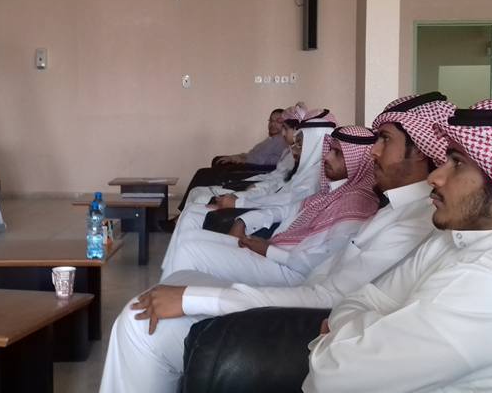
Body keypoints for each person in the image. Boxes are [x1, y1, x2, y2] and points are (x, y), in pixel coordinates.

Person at [98, 98, 492, 393]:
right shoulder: (458, 241)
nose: (437, 174)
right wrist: (357, 342)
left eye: (456, 163)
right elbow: (357, 301)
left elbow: (334, 371)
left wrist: (347, 346)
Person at [85, 93, 454, 393]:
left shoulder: (417, 221)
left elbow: (327, 296)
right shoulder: (395, 208)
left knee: (140, 322)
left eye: (384, 140)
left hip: (309, 323)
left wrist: (196, 298)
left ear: (421, 150)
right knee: (165, 293)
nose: (373, 151)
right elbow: (340, 285)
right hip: (314, 311)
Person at [161, 125, 380, 286]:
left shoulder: (357, 204)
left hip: (291, 272)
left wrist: (269, 251)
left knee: (189, 250)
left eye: (337, 153)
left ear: (357, 160)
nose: (327, 157)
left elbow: (323, 261)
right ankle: (167, 300)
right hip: (277, 252)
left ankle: (164, 304)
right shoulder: (333, 190)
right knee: (188, 239)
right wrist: (243, 220)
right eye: (329, 150)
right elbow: (286, 209)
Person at [160, 108, 336, 273]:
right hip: (265, 218)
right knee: (191, 216)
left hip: (276, 238)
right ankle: (173, 280)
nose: (294, 149)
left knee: (191, 223)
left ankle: (177, 282)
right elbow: (281, 195)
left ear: (314, 144)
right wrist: (241, 208)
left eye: (300, 144)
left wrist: (239, 204)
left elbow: (285, 203)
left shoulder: (316, 177)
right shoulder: (306, 168)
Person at [173, 107, 291, 216]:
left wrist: (239, 160)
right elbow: (251, 154)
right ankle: (183, 213)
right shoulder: (270, 140)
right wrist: (235, 157)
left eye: (278, 121)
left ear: (285, 125)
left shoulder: (280, 141)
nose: (272, 124)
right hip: (248, 165)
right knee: (208, 170)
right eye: (271, 121)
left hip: (253, 171)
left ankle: (182, 214)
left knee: (204, 173)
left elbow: (259, 161)